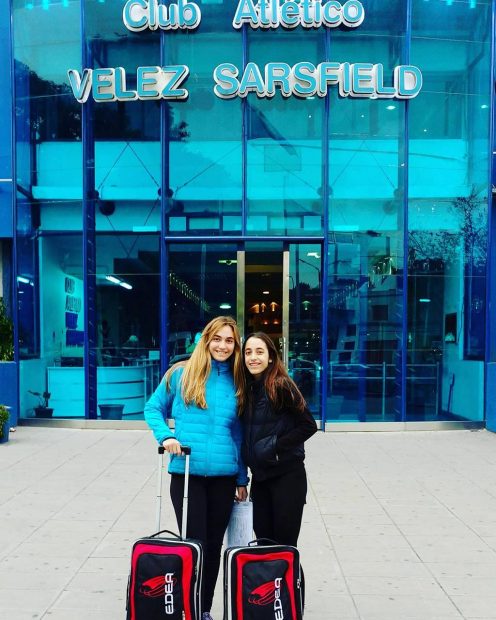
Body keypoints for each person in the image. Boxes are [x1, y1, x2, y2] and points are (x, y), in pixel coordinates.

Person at [144, 316, 248, 620]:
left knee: (213, 546)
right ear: (206, 340)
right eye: (217, 339)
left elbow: (238, 434)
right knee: (194, 543)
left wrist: (241, 478)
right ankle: (185, 605)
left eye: (229, 341)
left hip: (223, 477)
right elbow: (153, 407)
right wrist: (166, 437)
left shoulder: (238, 381)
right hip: (187, 474)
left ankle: (202, 609)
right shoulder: (180, 373)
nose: (222, 346)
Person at [241, 332, 317, 547]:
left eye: (259, 352)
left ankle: (292, 573)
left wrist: (274, 446)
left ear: (271, 357)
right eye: (248, 352)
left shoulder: (281, 385)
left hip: (287, 478)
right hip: (260, 479)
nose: (253, 357)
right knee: (264, 545)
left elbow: (308, 425)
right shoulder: (246, 389)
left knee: (284, 547)